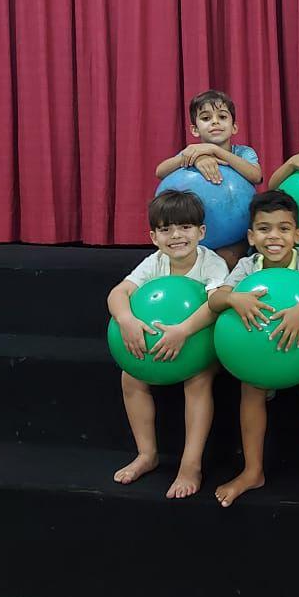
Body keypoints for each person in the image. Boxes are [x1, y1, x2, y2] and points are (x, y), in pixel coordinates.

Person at [209, 190, 299, 506]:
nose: (274, 236)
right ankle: (252, 470)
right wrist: (234, 298)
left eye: (283, 228)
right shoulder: (247, 266)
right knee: (250, 387)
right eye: (264, 229)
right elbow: (215, 299)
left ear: (297, 234)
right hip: (258, 353)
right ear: (251, 236)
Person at [106, 190, 227, 499]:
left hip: (203, 344)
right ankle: (146, 454)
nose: (176, 236)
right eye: (166, 229)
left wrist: (184, 331)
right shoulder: (155, 262)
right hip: (162, 345)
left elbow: (216, 305)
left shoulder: (212, 264)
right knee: (130, 377)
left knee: (198, 380)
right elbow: (118, 293)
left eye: (185, 227)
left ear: (201, 232)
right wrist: (126, 320)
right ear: (153, 237)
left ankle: (190, 464)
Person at [155, 89, 262, 270]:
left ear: (234, 127)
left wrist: (215, 151)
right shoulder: (191, 152)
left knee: (226, 259)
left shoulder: (243, 152)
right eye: (206, 118)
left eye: (222, 117)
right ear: (195, 130)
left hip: (236, 234)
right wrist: (194, 157)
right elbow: (160, 171)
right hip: (192, 237)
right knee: (185, 262)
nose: (215, 122)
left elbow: (256, 176)